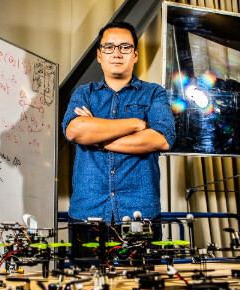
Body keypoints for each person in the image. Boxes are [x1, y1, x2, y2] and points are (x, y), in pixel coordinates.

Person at [62, 22, 176, 237]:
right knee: (85, 272)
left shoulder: (154, 93)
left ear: (135, 55)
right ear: (99, 54)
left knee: (142, 272)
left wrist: (94, 137)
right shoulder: (84, 93)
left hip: (141, 213)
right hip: (88, 212)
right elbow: (74, 131)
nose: (116, 53)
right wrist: (136, 124)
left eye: (125, 47)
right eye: (109, 47)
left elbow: (161, 139)